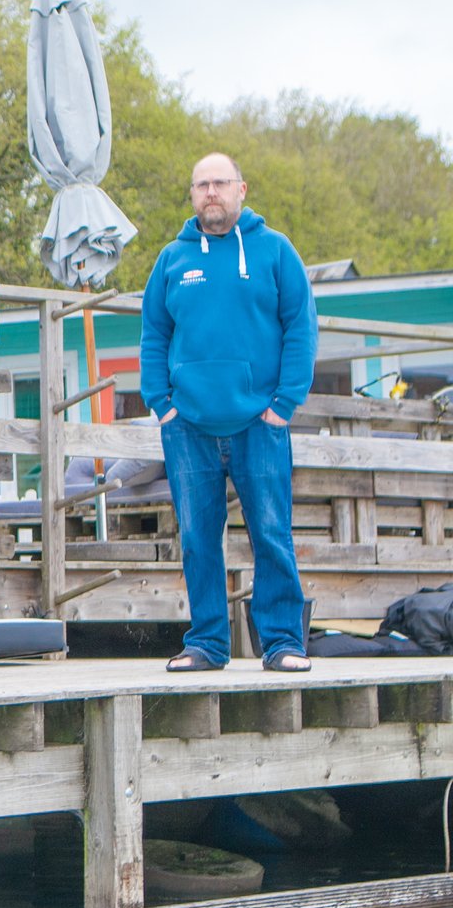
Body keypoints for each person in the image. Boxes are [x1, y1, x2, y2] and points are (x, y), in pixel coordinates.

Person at [141, 153, 317, 673]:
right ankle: (208, 644)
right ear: (193, 195)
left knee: (271, 532)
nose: (211, 192)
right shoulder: (172, 259)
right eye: (201, 185)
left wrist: (284, 404)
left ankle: (283, 643)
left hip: (259, 424)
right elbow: (154, 333)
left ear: (241, 189)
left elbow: (301, 328)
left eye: (220, 183)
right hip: (188, 427)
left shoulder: (275, 252)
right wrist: (162, 405)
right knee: (197, 538)